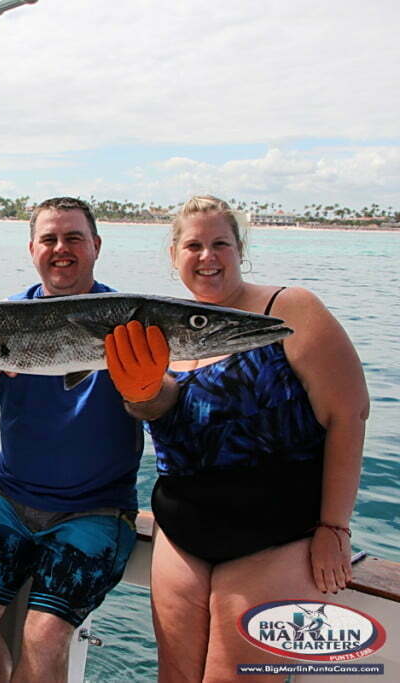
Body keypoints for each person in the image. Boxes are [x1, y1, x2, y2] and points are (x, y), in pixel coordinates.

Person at [106, 195, 368, 680]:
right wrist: (139, 393)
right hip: (181, 532)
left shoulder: (289, 310)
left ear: (240, 249)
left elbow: (349, 415)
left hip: (276, 534)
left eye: (220, 244)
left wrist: (335, 527)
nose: (207, 257)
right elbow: (157, 409)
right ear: (174, 255)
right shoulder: (159, 330)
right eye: (193, 246)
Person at [0, 197, 141, 683]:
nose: (61, 249)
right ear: (32, 249)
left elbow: (154, 407)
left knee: (44, 635)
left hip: (94, 510)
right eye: (49, 239)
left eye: (74, 238)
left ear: (96, 246)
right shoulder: (5, 316)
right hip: (9, 499)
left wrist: (147, 387)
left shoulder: (131, 323)